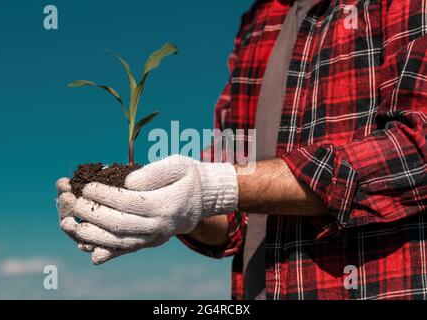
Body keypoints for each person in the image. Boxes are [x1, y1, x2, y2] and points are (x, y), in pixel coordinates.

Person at [56, 0, 427, 300]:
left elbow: (417, 149)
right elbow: (234, 214)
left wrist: (215, 187)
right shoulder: (259, 21)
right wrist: (176, 207)